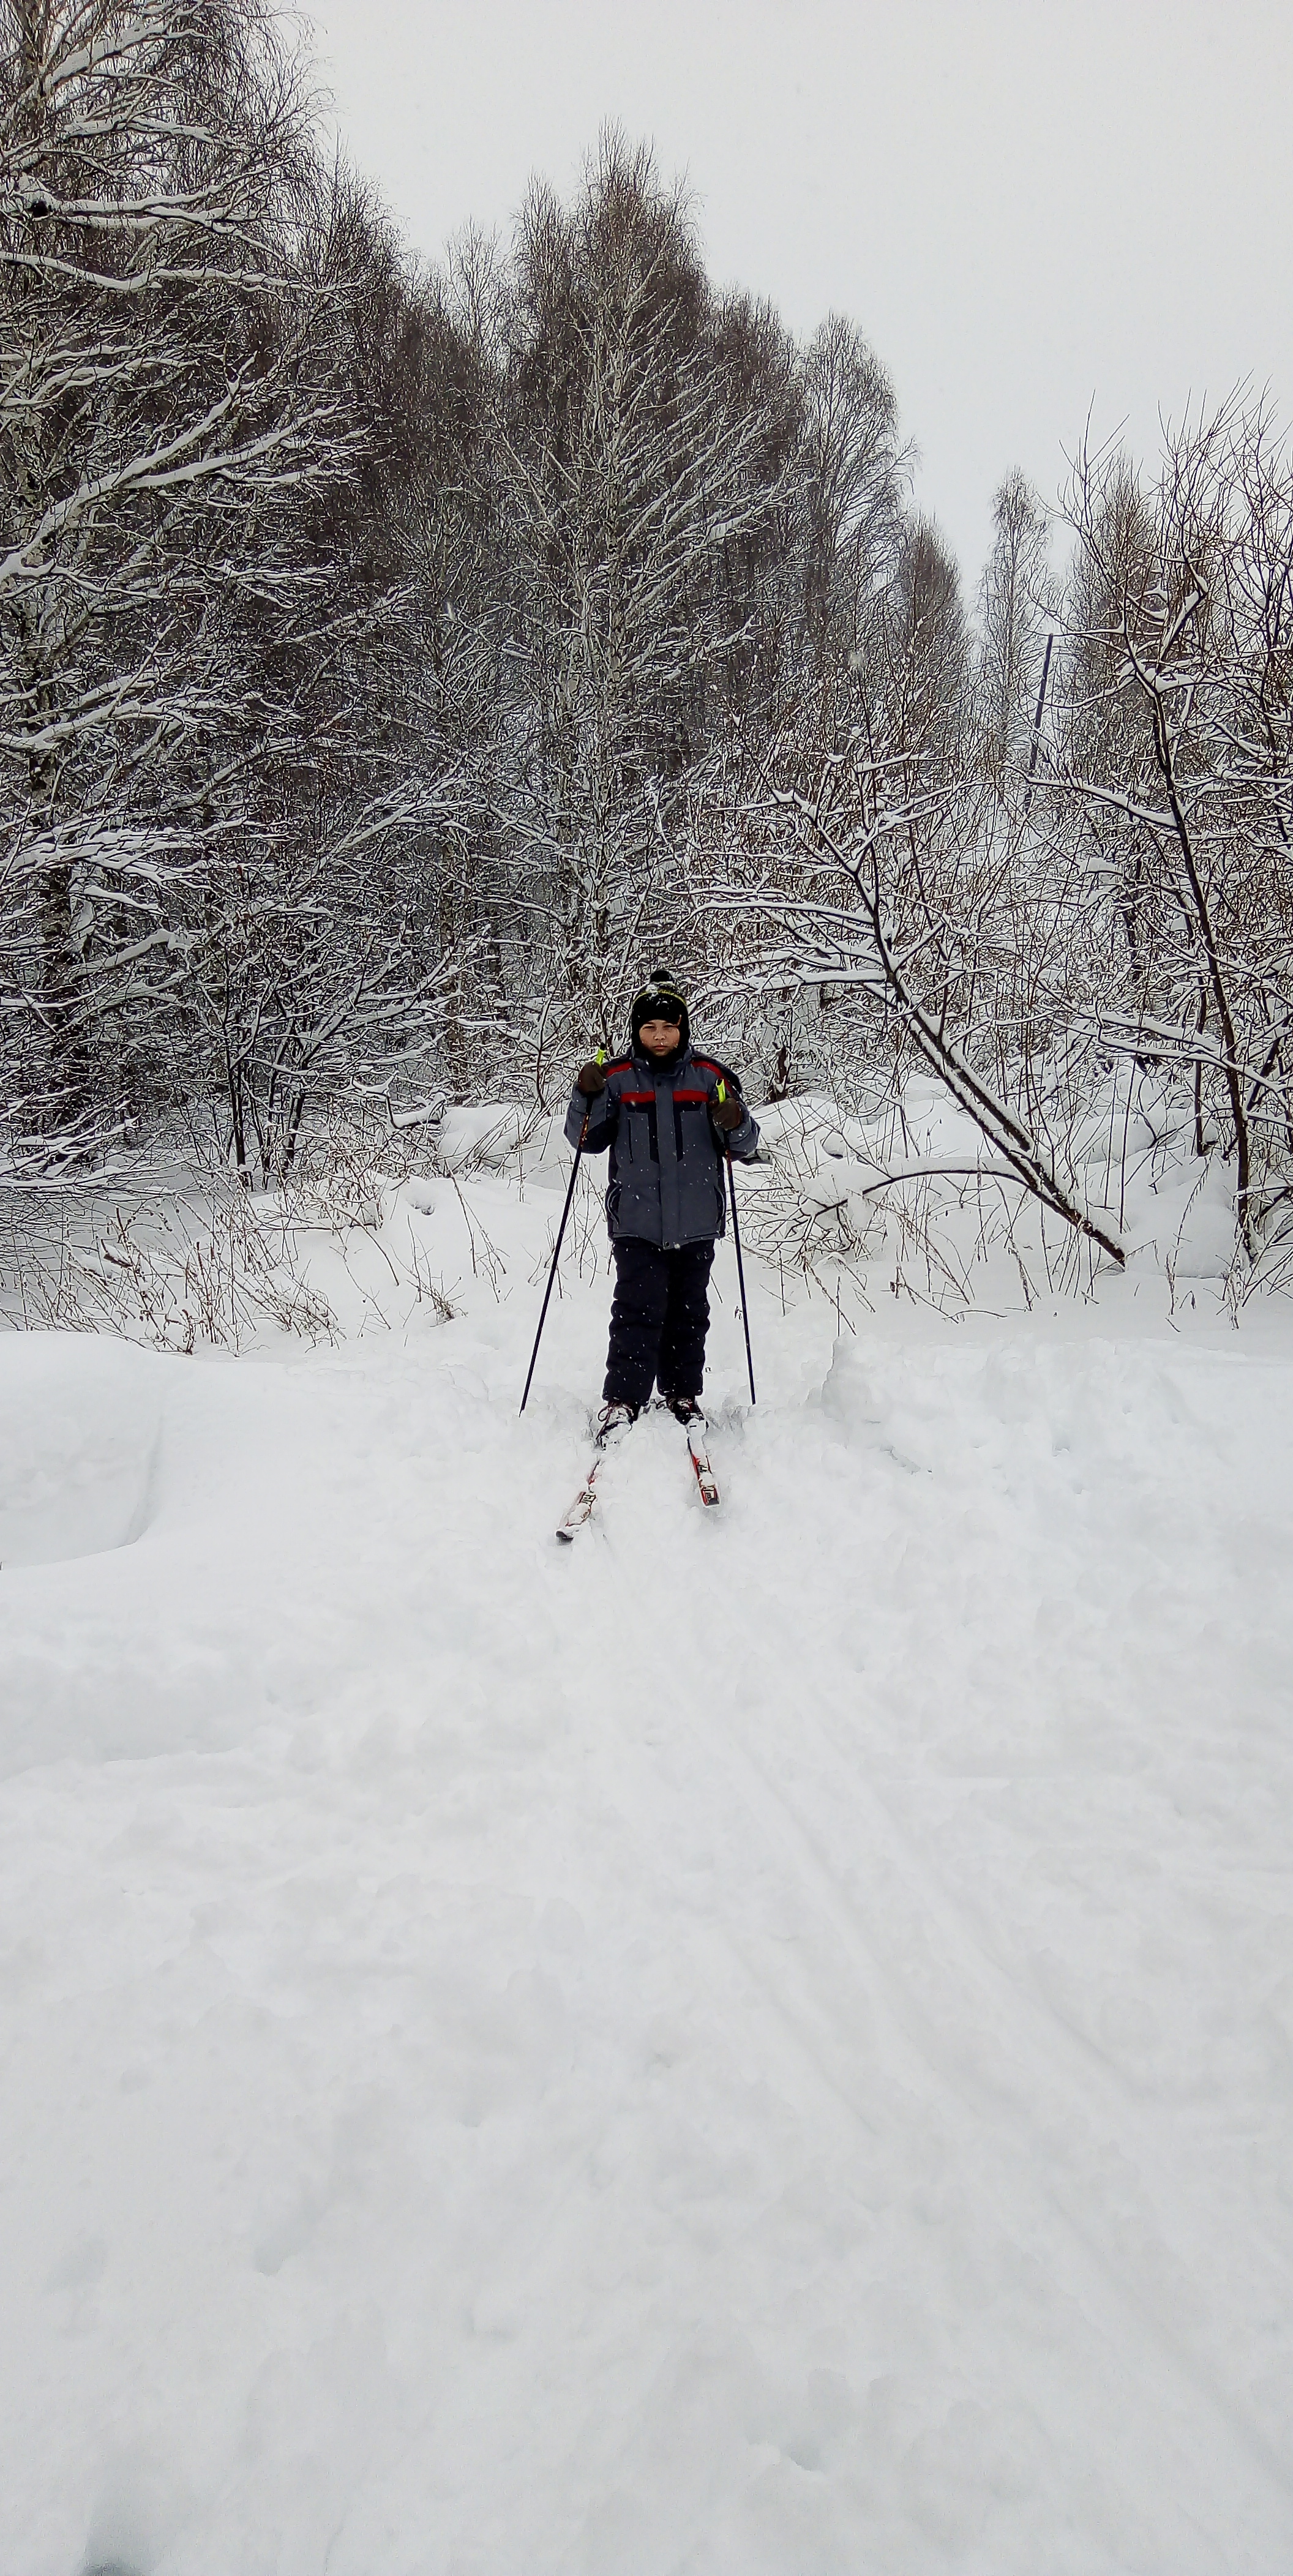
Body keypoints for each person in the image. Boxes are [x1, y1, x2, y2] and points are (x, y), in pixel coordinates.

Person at [564, 970, 760, 1439]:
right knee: (637, 1308)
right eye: (649, 1028)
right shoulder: (616, 1079)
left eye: (668, 1028)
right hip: (636, 1221)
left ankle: (681, 1394)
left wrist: (735, 1120)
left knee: (690, 1311)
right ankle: (624, 1399)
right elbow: (585, 1139)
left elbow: (747, 1144)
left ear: (682, 1029)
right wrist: (584, 1096)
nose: (659, 1037)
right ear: (637, 1030)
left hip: (695, 1221)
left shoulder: (710, 1078)